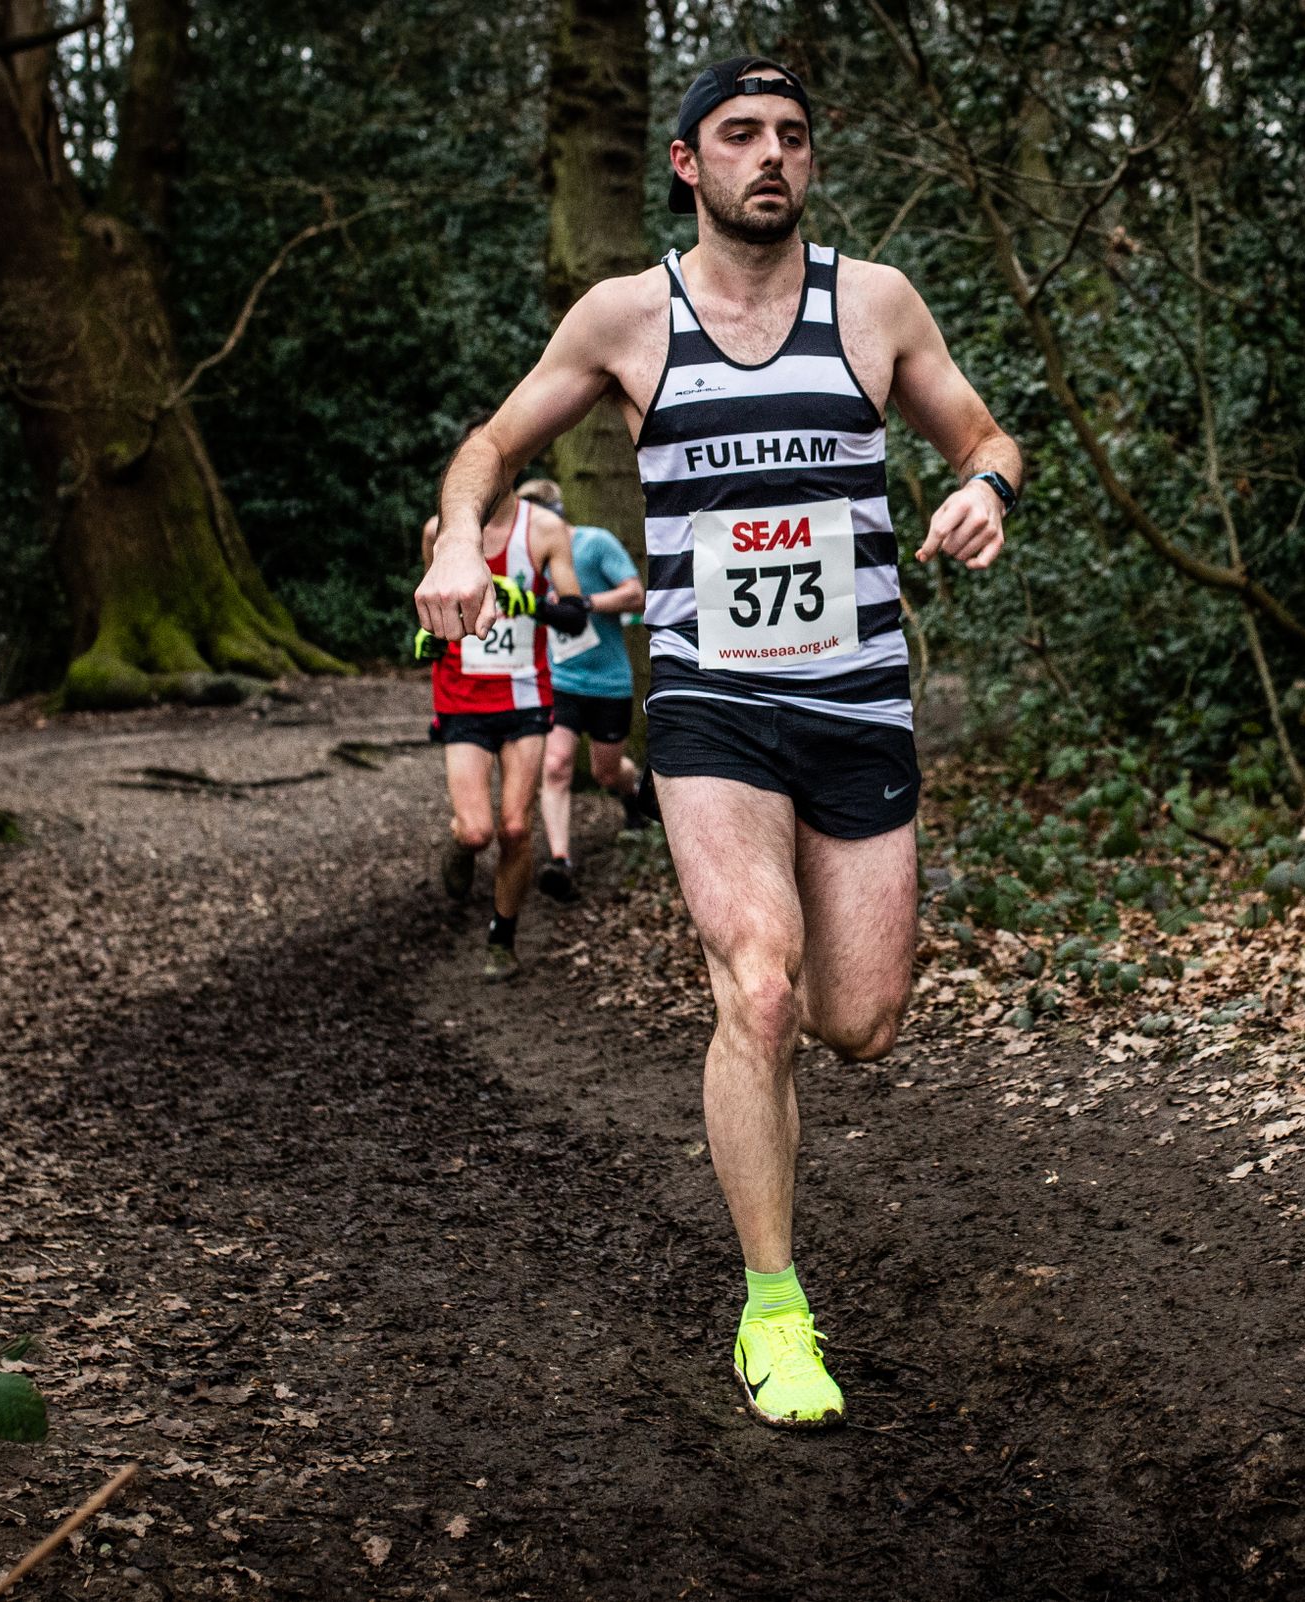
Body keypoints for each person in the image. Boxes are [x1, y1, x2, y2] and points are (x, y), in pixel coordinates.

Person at [414, 56, 1021, 1428]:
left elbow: (986, 435)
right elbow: (489, 445)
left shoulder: (875, 305)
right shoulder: (630, 317)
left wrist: (987, 488)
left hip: (857, 701)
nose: (772, 155)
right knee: (756, 987)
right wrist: (459, 538)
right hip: (710, 704)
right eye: (740, 133)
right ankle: (774, 1310)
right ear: (687, 162)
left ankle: (772, 1077)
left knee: (856, 1022)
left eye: (792, 134)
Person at [421, 472, 592, 983]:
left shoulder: (544, 529)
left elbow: (576, 616)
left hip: (525, 696)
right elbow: (431, 609)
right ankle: (461, 845)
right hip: (462, 698)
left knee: (516, 827)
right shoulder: (438, 532)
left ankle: (502, 937)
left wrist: (530, 604)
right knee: (478, 830)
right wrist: (428, 639)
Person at [512, 479, 651, 903]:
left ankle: (632, 792)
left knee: (607, 772)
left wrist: (582, 604)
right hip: (560, 680)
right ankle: (561, 861)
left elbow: (636, 595)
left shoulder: (594, 543)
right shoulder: (527, 562)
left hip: (609, 680)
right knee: (556, 765)